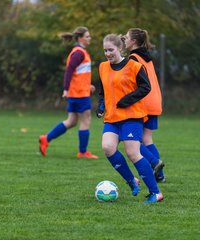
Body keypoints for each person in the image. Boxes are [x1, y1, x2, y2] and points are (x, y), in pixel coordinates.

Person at [96, 33, 164, 203]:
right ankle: (131, 181)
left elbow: (145, 87)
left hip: (132, 117)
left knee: (133, 153)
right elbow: (103, 91)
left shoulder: (134, 66)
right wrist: (101, 106)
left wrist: (127, 100)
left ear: (120, 48)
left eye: (111, 50)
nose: (108, 54)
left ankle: (155, 192)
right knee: (107, 148)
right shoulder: (103, 67)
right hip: (112, 118)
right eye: (105, 50)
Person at [39, 26, 98, 159]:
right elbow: (69, 71)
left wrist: (87, 85)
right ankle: (82, 152)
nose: (90, 39)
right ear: (80, 38)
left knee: (71, 121)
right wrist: (66, 89)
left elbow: (78, 73)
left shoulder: (80, 52)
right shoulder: (79, 53)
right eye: (88, 36)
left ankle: (46, 139)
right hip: (79, 93)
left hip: (77, 91)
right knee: (86, 120)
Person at [122, 28, 166, 182]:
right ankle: (159, 175)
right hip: (154, 100)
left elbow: (132, 84)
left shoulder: (133, 58)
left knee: (132, 139)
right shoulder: (146, 56)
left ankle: (155, 164)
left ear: (133, 41)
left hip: (144, 103)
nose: (124, 39)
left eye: (126, 37)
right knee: (147, 139)